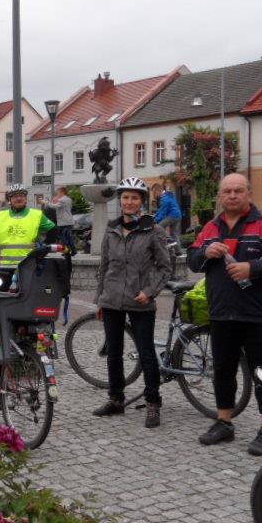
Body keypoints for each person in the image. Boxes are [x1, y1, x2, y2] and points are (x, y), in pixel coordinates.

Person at [187, 173, 262, 455]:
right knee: (223, 371)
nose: (232, 195)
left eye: (238, 191)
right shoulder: (211, 227)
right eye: (227, 191)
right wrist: (206, 253)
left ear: (249, 194)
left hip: (257, 314)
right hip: (221, 312)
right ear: (220, 196)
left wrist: (253, 268)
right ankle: (224, 422)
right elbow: (192, 260)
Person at [92, 177, 172, 428]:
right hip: (112, 300)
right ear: (120, 200)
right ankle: (116, 399)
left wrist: (150, 291)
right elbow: (104, 266)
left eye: (134, 198)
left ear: (142, 201)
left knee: (146, 353)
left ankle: (152, 402)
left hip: (140, 300)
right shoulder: (111, 229)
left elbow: (165, 267)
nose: (129, 202)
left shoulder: (154, 231)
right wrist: (100, 300)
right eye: (125, 197)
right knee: (113, 353)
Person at [0, 183, 56, 273]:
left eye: (21, 195)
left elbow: (53, 229)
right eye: (15, 196)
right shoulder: (0, 216)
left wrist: (43, 249)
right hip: (6, 266)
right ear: (10, 199)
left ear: (25, 198)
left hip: (29, 266)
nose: (19, 198)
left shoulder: (36, 215)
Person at [154, 184, 184, 253]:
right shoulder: (168, 195)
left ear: (159, 190)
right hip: (178, 215)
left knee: (158, 226)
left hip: (172, 215)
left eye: (155, 193)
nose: (155, 195)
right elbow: (161, 210)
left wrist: (155, 220)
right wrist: (155, 216)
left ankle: (170, 240)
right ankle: (178, 251)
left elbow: (162, 213)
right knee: (174, 233)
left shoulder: (164, 199)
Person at [50, 186, 75, 252]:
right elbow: (56, 204)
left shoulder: (63, 200)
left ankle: (68, 250)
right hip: (67, 221)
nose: (57, 194)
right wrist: (55, 200)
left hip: (64, 222)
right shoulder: (68, 199)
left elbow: (53, 206)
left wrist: (45, 202)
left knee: (62, 237)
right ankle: (72, 250)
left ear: (62, 192)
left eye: (58, 192)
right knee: (67, 237)